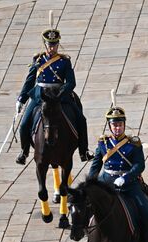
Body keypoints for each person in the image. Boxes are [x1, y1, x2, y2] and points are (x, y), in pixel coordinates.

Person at [87, 106, 148, 242]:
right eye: (114, 125)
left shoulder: (133, 143)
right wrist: (90, 183)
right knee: (88, 206)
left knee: (144, 208)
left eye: (120, 125)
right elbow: (96, 165)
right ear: (110, 126)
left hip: (128, 183)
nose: (117, 128)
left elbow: (140, 165)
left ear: (124, 125)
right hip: (106, 182)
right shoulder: (103, 143)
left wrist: (125, 178)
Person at [15, 26, 92, 165]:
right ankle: (24, 151)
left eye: (55, 45)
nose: (52, 48)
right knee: (24, 124)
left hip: (59, 95)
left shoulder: (64, 61)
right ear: (45, 44)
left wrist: (61, 94)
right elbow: (30, 80)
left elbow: (71, 83)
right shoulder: (38, 60)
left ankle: (83, 150)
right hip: (40, 96)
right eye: (50, 45)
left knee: (81, 119)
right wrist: (21, 99)